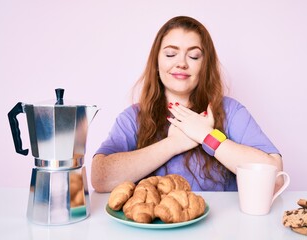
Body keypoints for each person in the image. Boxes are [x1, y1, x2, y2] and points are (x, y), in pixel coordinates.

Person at [91, 16, 283, 193]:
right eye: (170, 54)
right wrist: (173, 144)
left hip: (221, 229)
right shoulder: (133, 117)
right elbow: (100, 179)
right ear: (156, 63)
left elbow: (275, 178)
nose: (181, 63)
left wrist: (208, 136)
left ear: (204, 65)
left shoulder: (230, 111)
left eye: (193, 56)